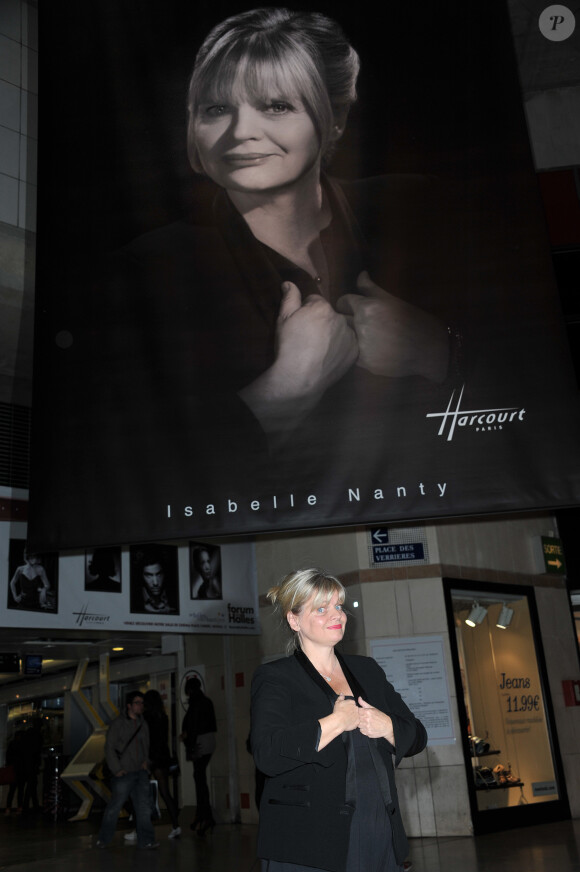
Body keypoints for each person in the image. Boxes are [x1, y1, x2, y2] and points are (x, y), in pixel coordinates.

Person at [250, 568, 427, 871]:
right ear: (294, 620)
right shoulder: (276, 677)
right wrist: (335, 722)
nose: (338, 615)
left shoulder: (367, 670)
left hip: (378, 827)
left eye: (339, 606)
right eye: (321, 609)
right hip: (309, 841)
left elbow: (417, 736)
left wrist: (388, 727)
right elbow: (267, 753)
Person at [96, 690, 159, 850]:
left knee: (143, 808)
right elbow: (109, 747)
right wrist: (117, 769)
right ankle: (103, 839)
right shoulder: (118, 724)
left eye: (142, 703)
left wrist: (146, 762)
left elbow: (147, 747)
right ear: (129, 705)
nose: (141, 706)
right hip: (124, 773)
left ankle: (147, 840)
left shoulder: (143, 724)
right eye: (137, 703)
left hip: (140, 772)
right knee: (115, 807)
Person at [180, 676, 217, 835]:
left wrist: (188, 741)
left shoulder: (195, 703)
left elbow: (193, 726)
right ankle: (203, 816)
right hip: (209, 741)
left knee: (199, 780)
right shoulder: (207, 701)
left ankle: (204, 816)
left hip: (199, 742)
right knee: (200, 778)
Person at [141, 690, 180, 838]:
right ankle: (176, 824)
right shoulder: (163, 717)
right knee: (165, 792)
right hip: (163, 757)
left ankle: (141, 827)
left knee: (141, 792)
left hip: (150, 757)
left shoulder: (146, 717)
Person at [132, 548, 177, 614]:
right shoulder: (133, 600)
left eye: (159, 574)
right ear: (141, 576)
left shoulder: (175, 597)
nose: (155, 583)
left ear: (164, 574)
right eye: (149, 575)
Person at [4, 730, 25, 815]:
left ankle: (8, 807)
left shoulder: (12, 744)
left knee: (12, 790)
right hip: (20, 770)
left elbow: (8, 757)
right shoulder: (23, 745)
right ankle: (19, 807)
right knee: (20, 790)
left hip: (13, 770)